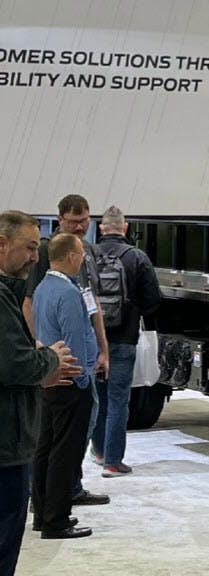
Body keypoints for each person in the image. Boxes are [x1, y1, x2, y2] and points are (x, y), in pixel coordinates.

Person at [0, 210, 80, 576]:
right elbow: (14, 364)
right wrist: (49, 360)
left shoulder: (12, 294)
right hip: (4, 454)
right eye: (29, 247)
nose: (36, 256)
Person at [22, 194, 110, 507]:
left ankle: (69, 486)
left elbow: (93, 304)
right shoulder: (50, 254)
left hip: (82, 359)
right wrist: (43, 353)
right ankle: (49, 496)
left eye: (84, 221)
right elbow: (30, 304)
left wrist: (103, 349)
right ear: (60, 220)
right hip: (64, 366)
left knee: (81, 426)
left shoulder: (86, 253)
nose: (79, 227)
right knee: (57, 437)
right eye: (73, 222)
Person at [31, 233, 99, 540]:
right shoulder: (69, 293)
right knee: (65, 452)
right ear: (71, 256)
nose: (83, 258)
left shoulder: (44, 287)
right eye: (81, 253)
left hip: (50, 379)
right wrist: (83, 378)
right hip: (70, 381)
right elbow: (74, 339)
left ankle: (43, 513)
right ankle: (56, 520)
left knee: (46, 447)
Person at [91, 205, 163, 477]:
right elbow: (153, 299)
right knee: (120, 400)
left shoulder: (88, 255)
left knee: (99, 398)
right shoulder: (136, 257)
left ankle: (98, 452)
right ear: (125, 227)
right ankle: (113, 461)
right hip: (124, 337)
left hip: (96, 340)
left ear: (101, 228)